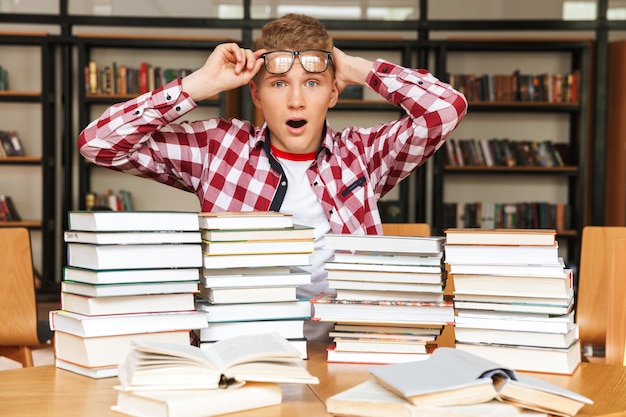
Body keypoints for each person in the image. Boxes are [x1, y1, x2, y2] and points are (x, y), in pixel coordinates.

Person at [78, 13, 468, 340]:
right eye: (279, 84)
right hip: (241, 345)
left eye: (312, 83)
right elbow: (98, 143)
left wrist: (353, 68)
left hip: (346, 344)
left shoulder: (363, 155)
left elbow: (446, 109)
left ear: (334, 94)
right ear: (256, 94)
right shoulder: (218, 147)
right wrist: (200, 85)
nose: (296, 100)